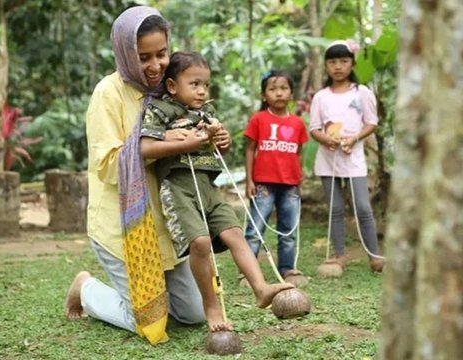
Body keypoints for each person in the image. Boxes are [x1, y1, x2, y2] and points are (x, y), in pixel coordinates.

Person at [64, 6, 219, 345]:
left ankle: (154, 294)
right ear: (124, 52)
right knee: (147, 324)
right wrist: (164, 143)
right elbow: (106, 164)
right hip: (122, 227)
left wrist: (213, 136)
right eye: (143, 56)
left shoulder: (170, 89)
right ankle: (86, 287)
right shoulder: (108, 93)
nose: (154, 65)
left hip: (165, 223)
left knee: (193, 314)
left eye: (161, 54)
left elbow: (194, 133)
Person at [139, 51, 294, 332]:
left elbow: (221, 149)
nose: (201, 91)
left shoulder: (208, 113)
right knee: (200, 243)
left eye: (205, 85)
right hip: (178, 187)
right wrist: (185, 143)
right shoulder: (159, 110)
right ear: (173, 86)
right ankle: (211, 308)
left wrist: (223, 141)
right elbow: (146, 147)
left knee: (235, 233)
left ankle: (261, 288)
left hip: (208, 186)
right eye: (194, 84)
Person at [309, 39, 384, 273]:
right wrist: (326, 140)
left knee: (363, 207)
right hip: (328, 160)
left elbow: (372, 123)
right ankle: (340, 255)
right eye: (332, 62)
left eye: (343, 61)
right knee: (335, 209)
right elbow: (314, 128)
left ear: (352, 63)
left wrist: (354, 139)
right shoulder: (321, 96)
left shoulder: (362, 93)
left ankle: (374, 255)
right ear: (326, 66)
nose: (338, 66)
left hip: (354, 159)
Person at [241, 70, 309, 287]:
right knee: (255, 229)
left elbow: (298, 152)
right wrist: (249, 180)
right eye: (272, 89)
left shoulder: (297, 123)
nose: (278, 93)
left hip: (290, 184)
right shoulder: (258, 119)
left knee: (288, 228)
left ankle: (287, 269)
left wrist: (299, 177)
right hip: (263, 183)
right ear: (264, 95)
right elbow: (250, 150)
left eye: (283, 88)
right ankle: (247, 272)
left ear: (291, 94)